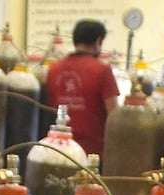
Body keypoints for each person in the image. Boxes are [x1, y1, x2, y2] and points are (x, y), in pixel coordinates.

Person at [46, 19, 119, 157]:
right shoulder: (102, 70)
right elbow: (115, 117)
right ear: (98, 41)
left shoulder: (53, 69)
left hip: (59, 151)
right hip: (93, 153)